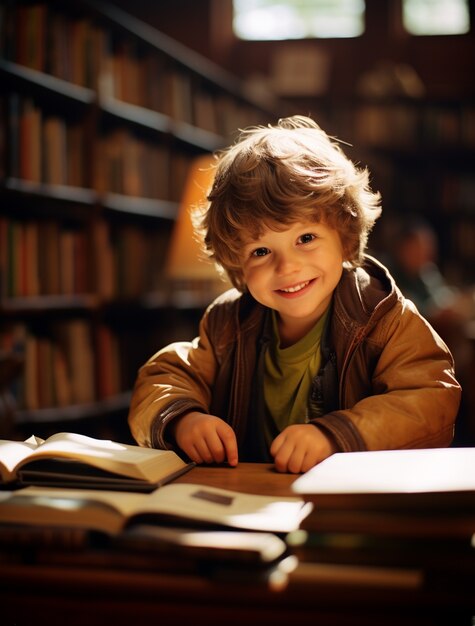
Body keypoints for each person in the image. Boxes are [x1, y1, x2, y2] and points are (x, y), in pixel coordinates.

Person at [128, 115, 461, 474]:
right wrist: (184, 419)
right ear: (237, 266)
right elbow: (162, 377)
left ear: (345, 238)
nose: (286, 267)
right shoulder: (227, 326)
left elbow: (431, 399)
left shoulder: (384, 319)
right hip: (253, 507)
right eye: (260, 251)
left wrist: (335, 437)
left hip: (353, 507)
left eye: (305, 238)